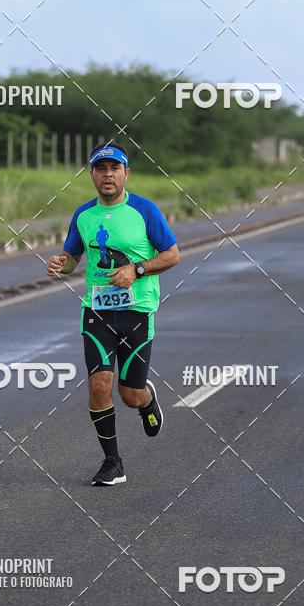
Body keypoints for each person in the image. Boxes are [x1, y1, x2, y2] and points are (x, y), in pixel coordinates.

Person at [47, 142, 180, 485]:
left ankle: (146, 400)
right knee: (98, 384)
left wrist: (137, 270)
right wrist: (61, 265)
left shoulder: (145, 210)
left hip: (137, 311)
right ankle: (112, 462)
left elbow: (172, 255)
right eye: (101, 169)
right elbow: (73, 258)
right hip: (97, 313)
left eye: (114, 168)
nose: (108, 175)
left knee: (129, 394)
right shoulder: (84, 215)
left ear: (126, 173)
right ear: (91, 174)